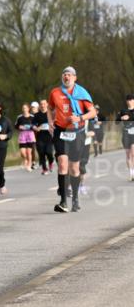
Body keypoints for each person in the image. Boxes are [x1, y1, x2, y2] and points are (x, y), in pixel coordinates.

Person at [48, 66, 96, 213]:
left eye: (69, 75)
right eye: (64, 75)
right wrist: (50, 122)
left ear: (75, 78)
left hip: (77, 132)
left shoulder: (82, 93)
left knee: (74, 168)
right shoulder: (55, 92)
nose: (66, 77)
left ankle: (75, 197)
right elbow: (50, 108)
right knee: (62, 164)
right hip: (61, 131)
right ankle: (63, 201)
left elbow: (92, 112)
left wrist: (80, 117)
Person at [33, 99, 55, 175]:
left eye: (44, 104)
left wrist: (52, 126)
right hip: (40, 137)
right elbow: (33, 125)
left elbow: (56, 122)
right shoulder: (36, 115)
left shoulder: (51, 113)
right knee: (41, 153)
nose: (42, 105)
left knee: (49, 152)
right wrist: (36, 128)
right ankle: (44, 169)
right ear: (39, 105)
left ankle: (51, 162)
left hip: (49, 136)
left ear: (47, 104)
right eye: (41, 104)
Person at [15, 103, 36, 171]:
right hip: (22, 135)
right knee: (23, 152)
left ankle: (29, 165)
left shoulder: (32, 117)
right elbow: (15, 126)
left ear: (28, 109)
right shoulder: (19, 117)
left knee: (29, 152)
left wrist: (32, 127)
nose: (24, 109)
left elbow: (36, 125)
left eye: (25, 108)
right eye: (23, 108)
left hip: (30, 135)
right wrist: (19, 127)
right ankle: (25, 159)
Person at [118, 94, 134, 181]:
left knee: (133, 153)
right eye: (128, 100)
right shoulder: (123, 110)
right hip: (126, 133)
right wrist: (121, 118)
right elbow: (116, 121)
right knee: (128, 155)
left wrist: (129, 117)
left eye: (131, 99)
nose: (129, 101)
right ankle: (131, 174)